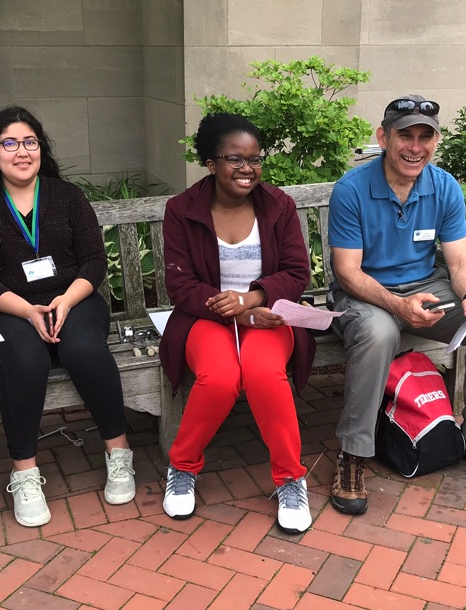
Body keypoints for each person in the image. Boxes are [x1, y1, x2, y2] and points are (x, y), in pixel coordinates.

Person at [327, 94, 466, 515]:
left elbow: (461, 258)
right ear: (383, 137)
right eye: (405, 135)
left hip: (427, 286)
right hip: (366, 291)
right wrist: (398, 305)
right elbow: (347, 272)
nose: (415, 147)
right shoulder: (352, 189)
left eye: (425, 137)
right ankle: (354, 455)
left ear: (435, 141)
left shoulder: (444, 186)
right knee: (379, 333)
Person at [0, 106, 136, 528]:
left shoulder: (67, 196)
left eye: (30, 142)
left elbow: (93, 262)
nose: (22, 152)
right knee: (25, 358)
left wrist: (66, 302)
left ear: (41, 147)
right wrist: (26, 309)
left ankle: (119, 452)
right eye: (10, 143)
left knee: (86, 348)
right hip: (9, 308)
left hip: (73, 299)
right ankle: (25, 474)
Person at [159, 113, 316, 534]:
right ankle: (183, 466)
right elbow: (181, 284)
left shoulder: (279, 205)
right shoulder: (181, 210)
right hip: (205, 316)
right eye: (235, 159)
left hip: (267, 314)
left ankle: (290, 479)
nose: (247, 169)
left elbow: (297, 272)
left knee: (265, 374)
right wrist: (235, 311)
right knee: (221, 377)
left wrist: (253, 299)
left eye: (255, 159)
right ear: (211, 163)